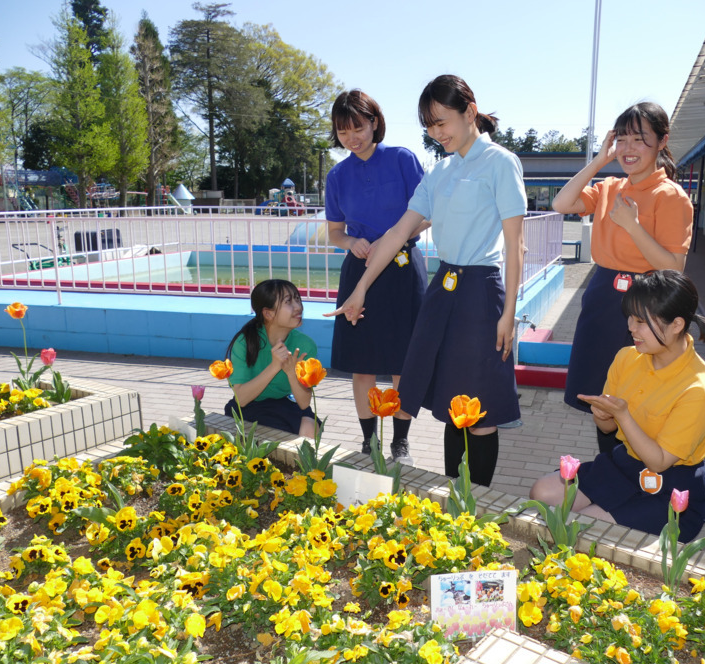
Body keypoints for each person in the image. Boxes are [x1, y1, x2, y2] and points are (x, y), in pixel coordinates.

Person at [329, 75, 526, 487]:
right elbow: (398, 233)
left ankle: (479, 499)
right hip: (444, 287)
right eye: (430, 127)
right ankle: (457, 496)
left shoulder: (500, 162)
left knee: (480, 402)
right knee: (454, 400)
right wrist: (360, 288)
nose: (438, 134)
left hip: (481, 289)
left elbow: (515, 245)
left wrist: (509, 313)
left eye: (442, 123)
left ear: (469, 111)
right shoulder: (440, 171)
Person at [529, 270, 705, 542]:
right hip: (626, 465)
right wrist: (603, 415)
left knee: (586, 529)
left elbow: (658, 461)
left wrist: (623, 414)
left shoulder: (700, 390)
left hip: (673, 485)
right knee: (543, 493)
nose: (631, 327)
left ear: (677, 324)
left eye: (641, 321)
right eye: (631, 318)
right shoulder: (627, 357)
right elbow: (608, 427)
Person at [553, 102, 693, 454]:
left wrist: (632, 225)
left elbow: (674, 267)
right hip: (602, 295)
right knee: (601, 396)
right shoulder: (609, 187)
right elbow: (561, 203)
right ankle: (609, 464)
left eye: (640, 139)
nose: (629, 149)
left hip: (649, 303)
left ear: (662, 142)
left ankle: (635, 468)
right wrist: (599, 161)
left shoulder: (672, 196)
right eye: (623, 139)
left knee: (638, 394)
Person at [325, 90, 427, 465]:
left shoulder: (402, 160)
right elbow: (334, 232)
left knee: (403, 363)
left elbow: (427, 213)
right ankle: (368, 442)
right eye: (343, 130)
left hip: (402, 269)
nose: (352, 137)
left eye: (358, 127)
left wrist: (394, 234)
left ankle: (401, 442)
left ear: (374, 123)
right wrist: (352, 242)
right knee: (362, 364)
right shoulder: (337, 176)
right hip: (360, 269)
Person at [223, 279, 317, 438]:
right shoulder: (245, 342)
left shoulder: (305, 345)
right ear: (268, 313)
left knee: (310, 429)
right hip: (251, 405)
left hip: (287, 403)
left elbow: (304, 403)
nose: (298, 307)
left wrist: (291, 374)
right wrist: (274, 366)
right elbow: (242, 399)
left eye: (297, 299)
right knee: (273, 432)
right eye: (288, 302)